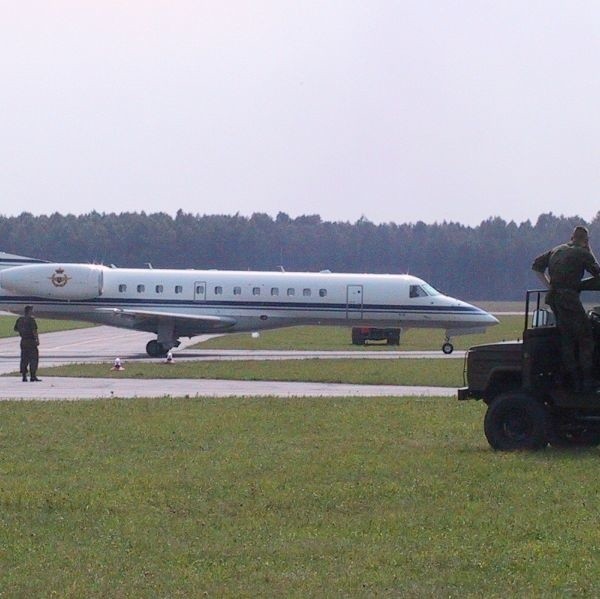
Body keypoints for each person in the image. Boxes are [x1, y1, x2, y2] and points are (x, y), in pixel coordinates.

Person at [532, 226, 600, 392]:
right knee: (586, 337)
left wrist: (550, 286)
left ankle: (571, 379)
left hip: (554, 299)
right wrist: (589, 251)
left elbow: (536, 266)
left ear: (572, 237)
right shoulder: (583, 253)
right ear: (586, 240)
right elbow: (598, 273)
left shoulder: (557, 249)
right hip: (569, 300)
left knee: (567, 338)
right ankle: (586, 381)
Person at [13, 305, 41, 382]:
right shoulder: (31, 320)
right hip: (31, 341)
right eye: (31, 310)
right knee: (33, 359)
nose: (32, 312)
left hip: (23, 341)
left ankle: (24, 376)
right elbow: (34, 331)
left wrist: (22, 332)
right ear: (29, 311)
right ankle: (33, 376)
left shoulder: (20, 319)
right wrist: (37, 340)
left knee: (24, 358)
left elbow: (15, 329)